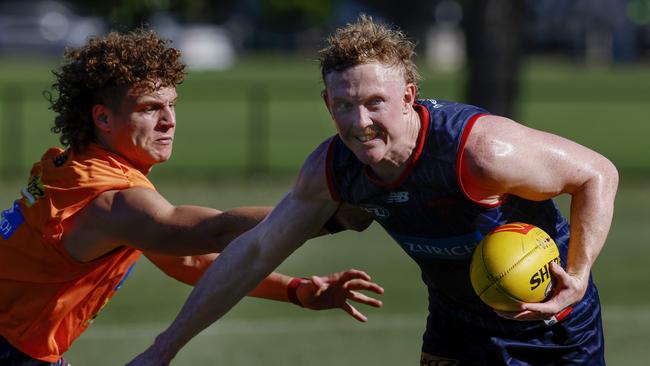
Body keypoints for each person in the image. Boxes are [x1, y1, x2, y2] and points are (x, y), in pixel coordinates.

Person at [129, 15, 619, 365]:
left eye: (374, 103)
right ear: (327, 103)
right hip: (457, 325)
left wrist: (577, 274)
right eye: (344, 105)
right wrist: (162, 350)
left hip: (552, 329)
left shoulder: (480, 152)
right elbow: (255, 252)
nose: (360, 123)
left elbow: (597, 173)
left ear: (408, 96)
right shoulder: (333, 170)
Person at [0, 29, 385, 366]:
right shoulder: (111, 200)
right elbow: (211, 233)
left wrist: (296, 290)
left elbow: (186, 259)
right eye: (150, 109)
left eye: (171, 106)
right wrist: (330, 211)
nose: (169, 121)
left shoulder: (76, 167)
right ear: (102, 118)